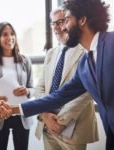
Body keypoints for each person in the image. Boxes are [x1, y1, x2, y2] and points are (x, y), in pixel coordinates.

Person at [11, 0, 114, 149]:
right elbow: (59, 96)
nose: (63, 27)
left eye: (66, 20)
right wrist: (14, 109)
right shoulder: (85, 63)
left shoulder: (111, 42)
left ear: (82, 20)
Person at [35, 7, 98, 150]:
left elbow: (87, 91)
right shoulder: (51, 53)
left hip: (73, 130)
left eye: (61, 21)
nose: (57, 27)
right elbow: (40, 88)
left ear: (71, 22)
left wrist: (61, 122)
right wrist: (45, 115)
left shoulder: (85, 50)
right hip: (48, 127)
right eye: (54, 23)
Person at [0, 22, 34, 150]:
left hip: (20, 116)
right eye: (5, 34)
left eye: (12, 33)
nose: (10, 37)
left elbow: (33, 88)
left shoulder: (25, 60)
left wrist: (27, 91)